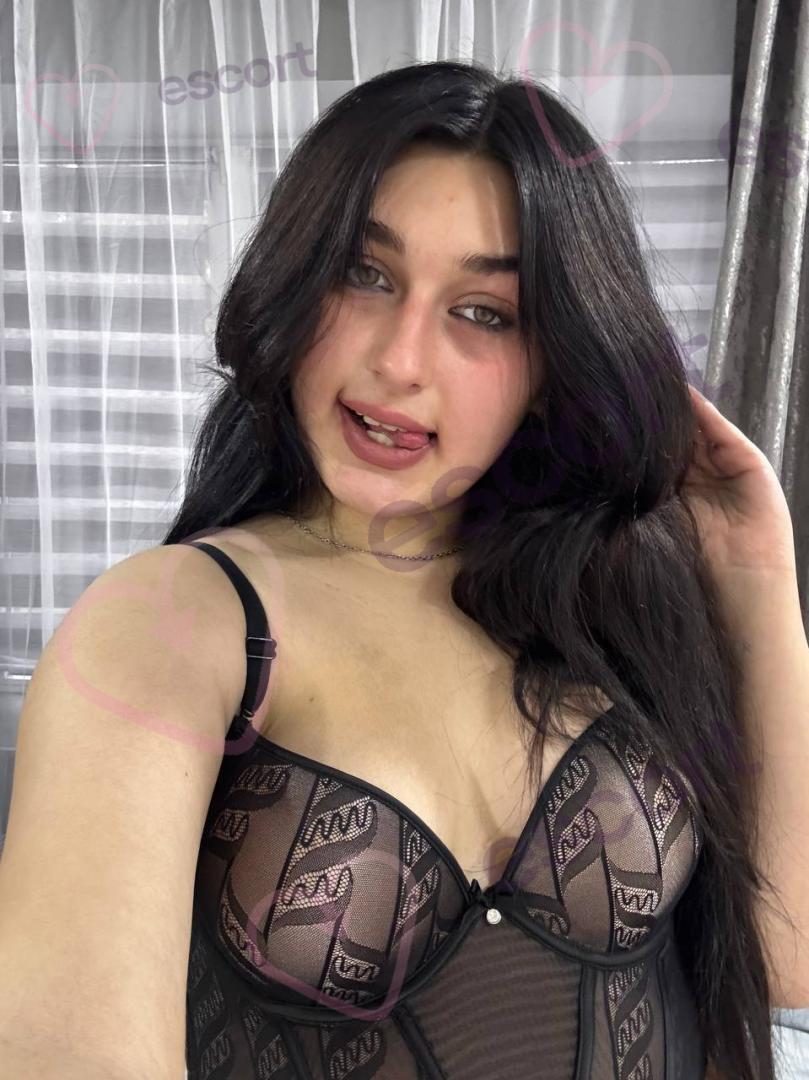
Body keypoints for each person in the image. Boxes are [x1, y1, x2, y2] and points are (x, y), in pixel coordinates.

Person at [0, 59, 787, 1080]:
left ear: (555, 360)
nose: (399, 361)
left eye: (483, 312)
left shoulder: (611, 605)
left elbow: (784, 960)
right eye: (365, 276)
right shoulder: (171, 623)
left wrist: (753, 572)